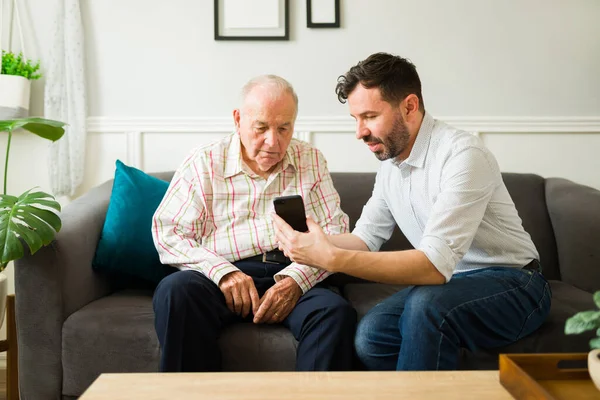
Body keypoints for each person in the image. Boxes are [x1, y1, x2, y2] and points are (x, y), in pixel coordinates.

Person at [273, 53, 552, 371]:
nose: (359, 132)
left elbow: (433, 266)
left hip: (515, 283)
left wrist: (331, 259)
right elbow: (366, 238)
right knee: (371, 336)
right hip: (452, 286)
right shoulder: (391, 164)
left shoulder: (463, 155)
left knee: (427, 306)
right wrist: (314, 243)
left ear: (409, 106)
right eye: (356, 119)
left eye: (369, 116)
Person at [151, 75, 356, 372]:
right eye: (261, 128)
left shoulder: (311, 160)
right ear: (238, 119)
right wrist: (223, 273)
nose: (273, 142)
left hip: (291, 271)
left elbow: (336, 233)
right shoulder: (204, 161)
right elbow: (168, 232)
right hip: (220, 275)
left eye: (283, 128)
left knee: (334, 313)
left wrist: (295, 281)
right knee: (175, 292)